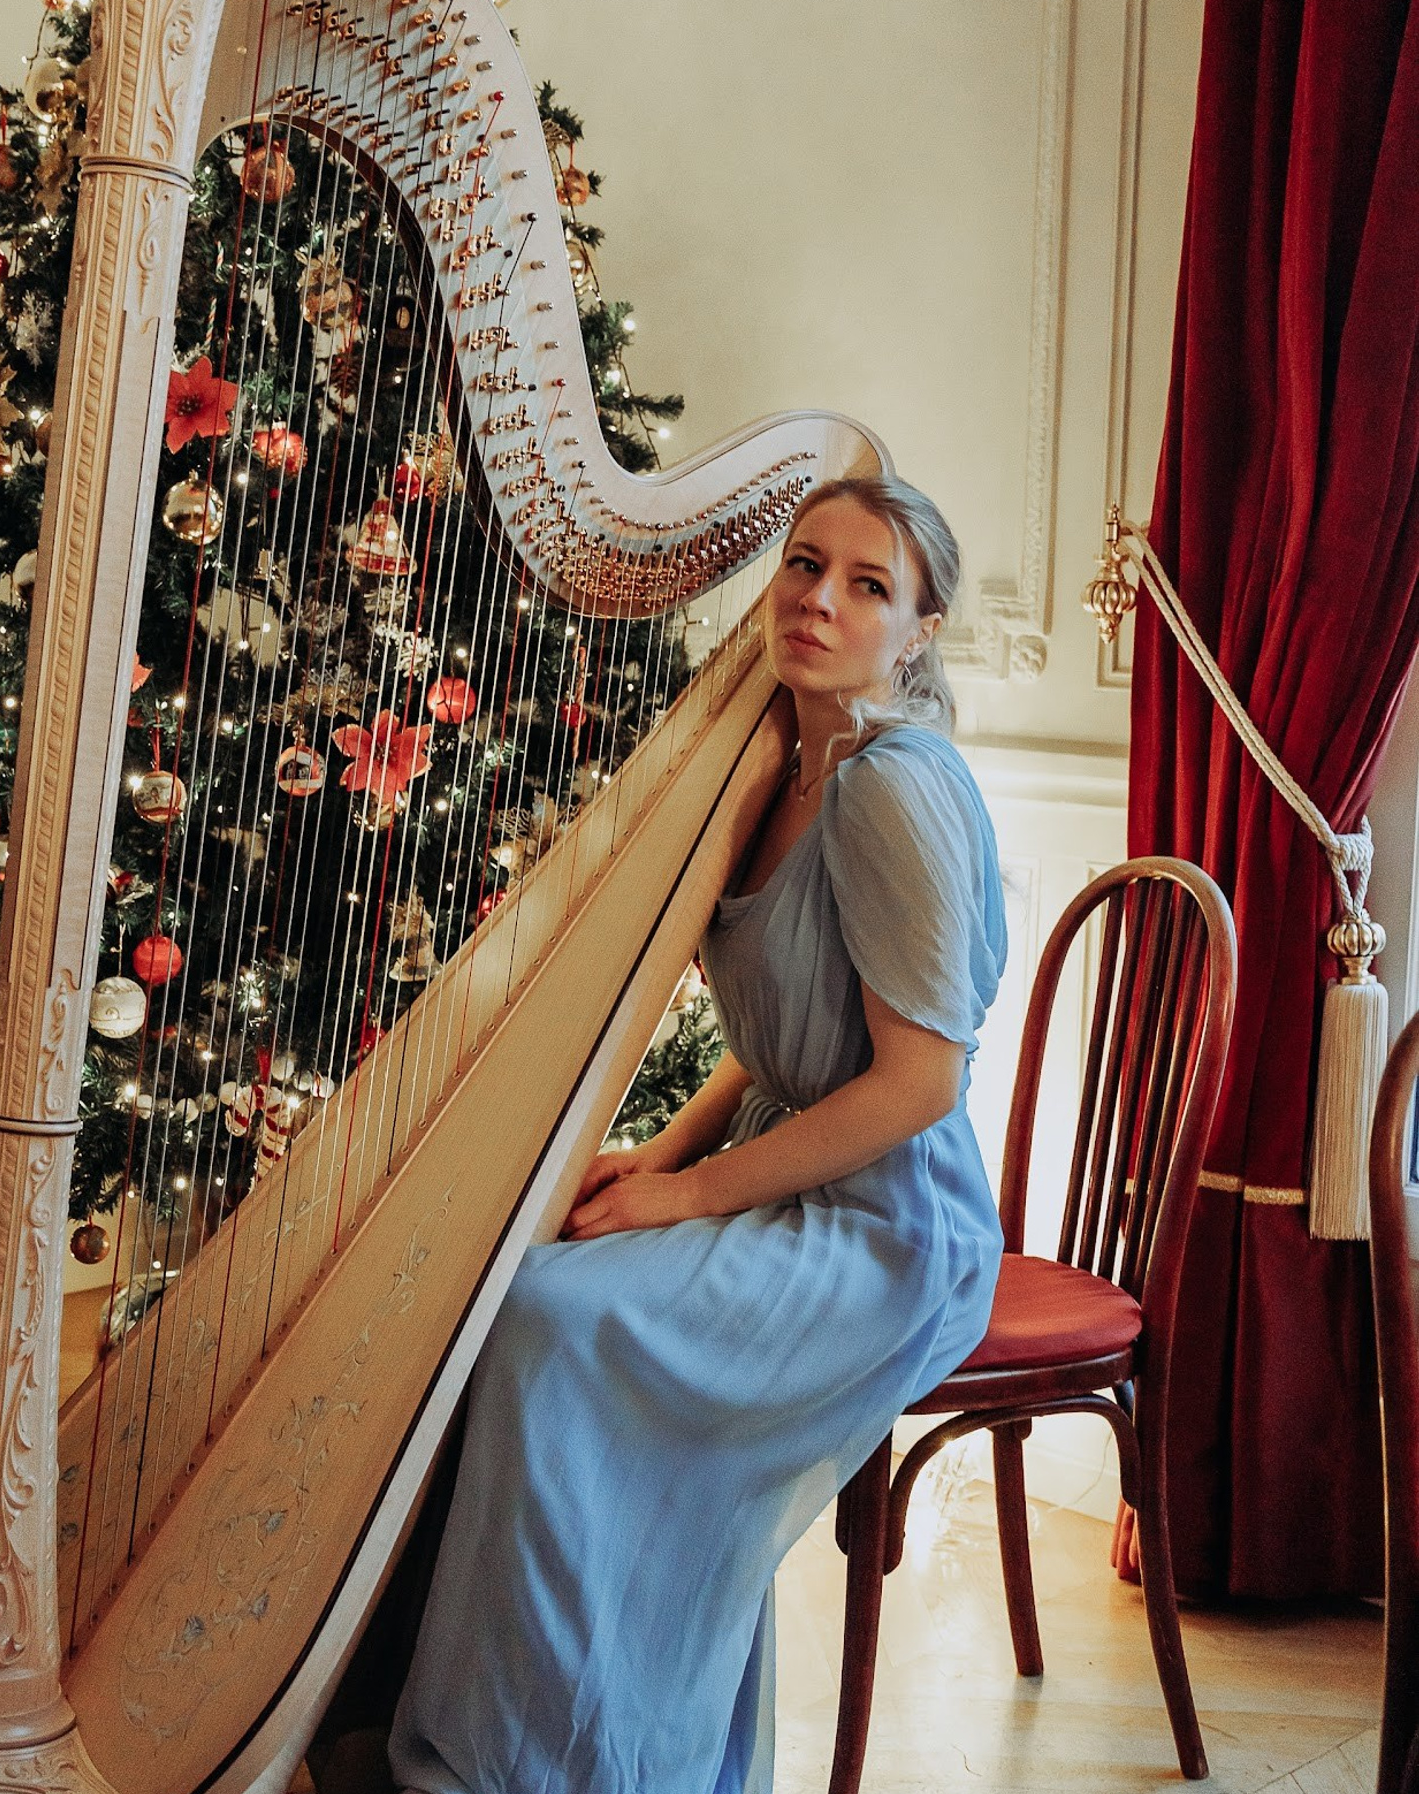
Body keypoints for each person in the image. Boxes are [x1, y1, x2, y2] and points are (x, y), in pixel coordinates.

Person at [387, 473, 1009, 1794]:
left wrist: (687, 1200)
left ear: (922, 630)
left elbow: (914, 1089)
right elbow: (781, 1039)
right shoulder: (781, 763)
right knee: (515, 1282)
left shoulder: (895, 790)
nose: (818, 600)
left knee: (547, 1321)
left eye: (867, 584)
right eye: (803, 565)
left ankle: (536, 1762)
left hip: (894, 1231)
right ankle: (611, 1740)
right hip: (794, 1184)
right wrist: (663, 1154)